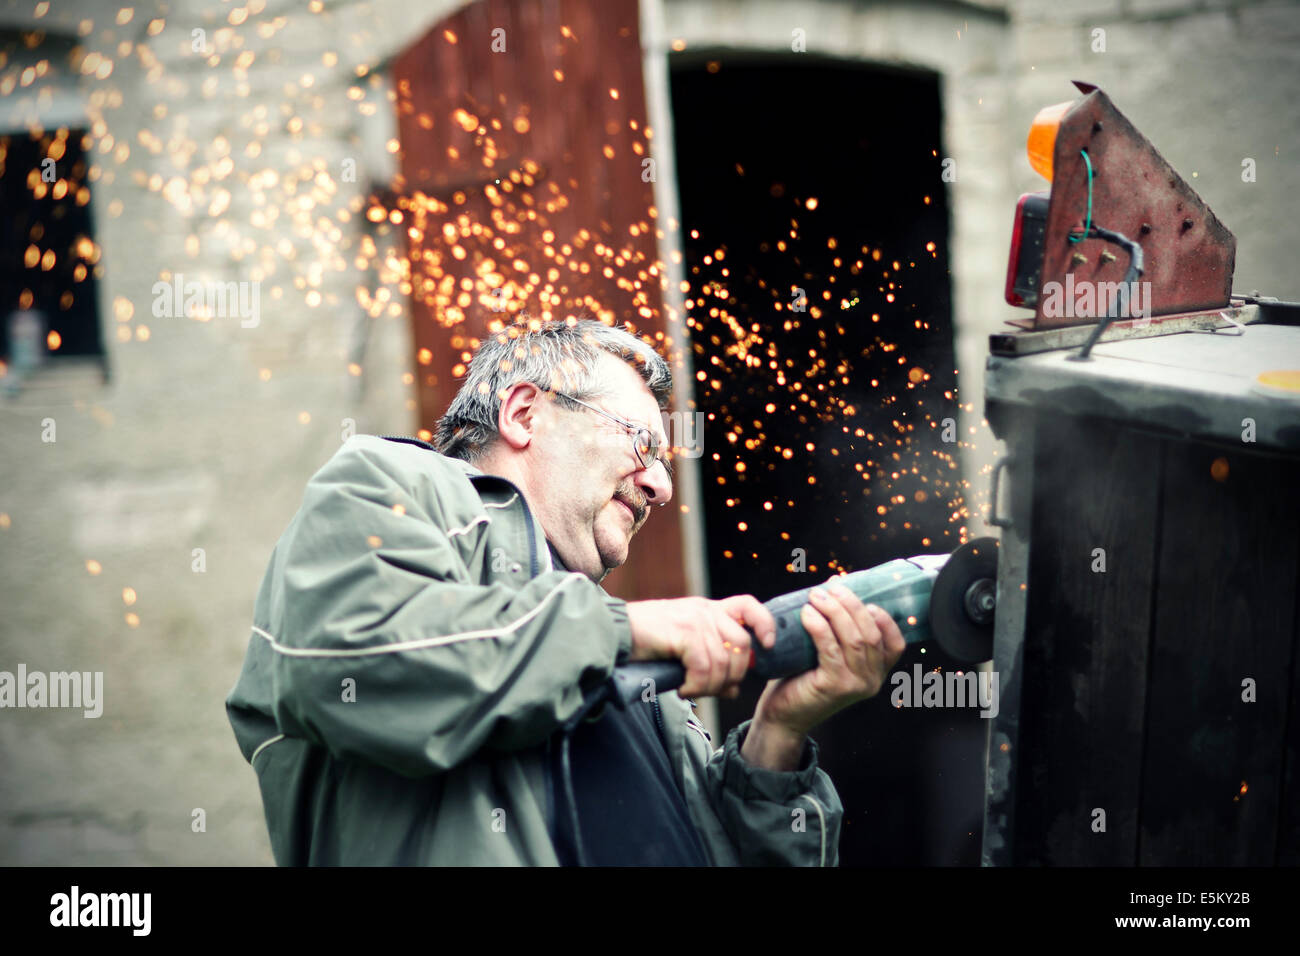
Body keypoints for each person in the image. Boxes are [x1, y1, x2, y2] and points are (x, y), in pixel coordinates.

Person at [226, 319, 905, 865]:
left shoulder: (618, 661)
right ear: (525, 413)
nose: (660, 486)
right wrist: (627, 632)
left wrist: (778, 738)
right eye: (642, 443)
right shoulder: (389, 486)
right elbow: (353, 662)